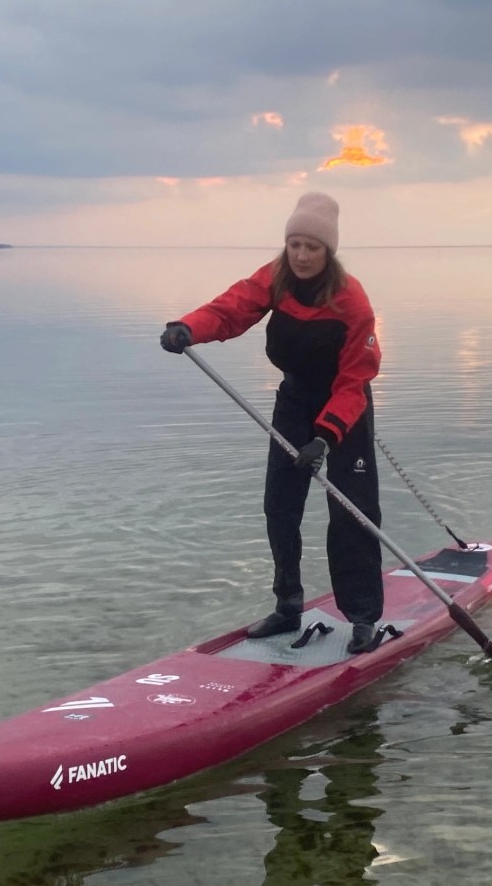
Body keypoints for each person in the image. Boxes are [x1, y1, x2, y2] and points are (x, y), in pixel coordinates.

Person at [160, 191, 383, 654]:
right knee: (280, 507)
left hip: (344, 409)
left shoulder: (352, 302)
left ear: (329, 251)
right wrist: (188, 327)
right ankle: (288, 607)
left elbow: (355, 378)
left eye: (312, 247)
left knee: (351, 514)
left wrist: (326, 437)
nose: (301, 256)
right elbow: (232, 308)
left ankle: (362, 617)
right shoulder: (275, 278)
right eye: (294, 244)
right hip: (294, 400)